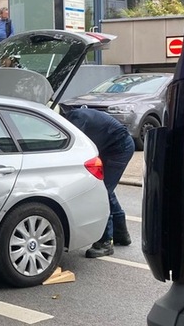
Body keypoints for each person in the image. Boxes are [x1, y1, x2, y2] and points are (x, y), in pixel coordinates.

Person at [60, 105, 134, 258]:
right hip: (113, 146)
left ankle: (105, 242)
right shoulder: (77, 115)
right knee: (106, 189)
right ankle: (120, 234)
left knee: (101, 192)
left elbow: (74, 147)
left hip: (119, 148)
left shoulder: (76, 120)